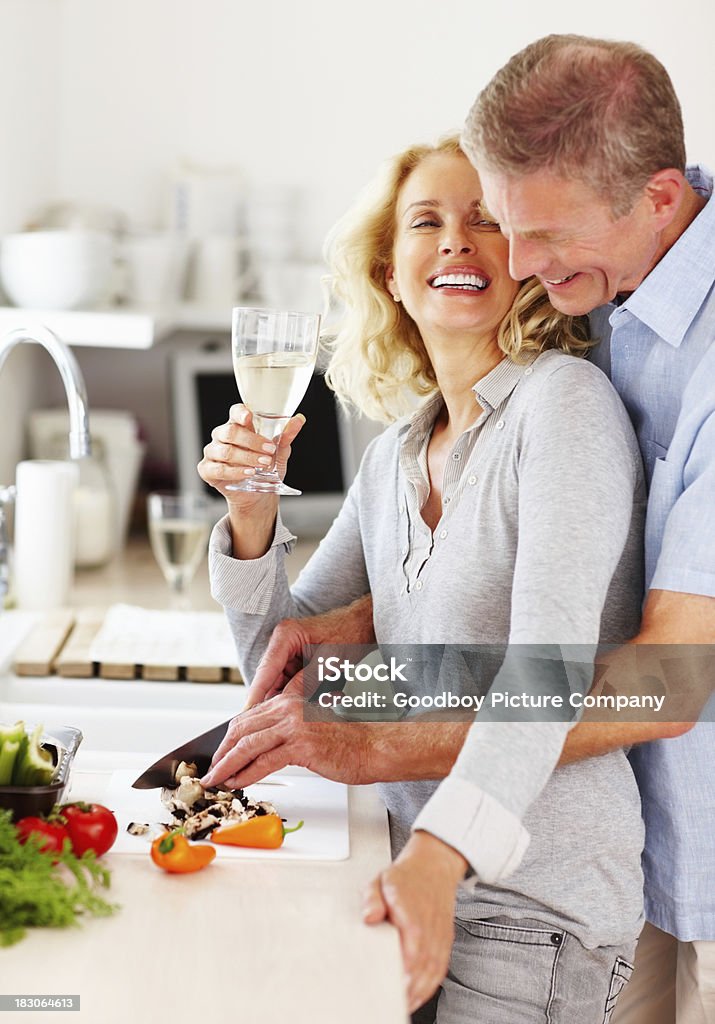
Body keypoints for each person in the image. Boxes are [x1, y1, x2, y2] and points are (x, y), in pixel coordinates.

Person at [235, 35, 714, 1024]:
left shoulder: (574, 388)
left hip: (591, 881)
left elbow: (666, 672)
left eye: (509, 229)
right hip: (584, 864)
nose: (511, 259)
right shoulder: (603, 297)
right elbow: (296, 660)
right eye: (492, 224)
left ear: (658, 199)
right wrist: (268, 540)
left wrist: (393, 756)